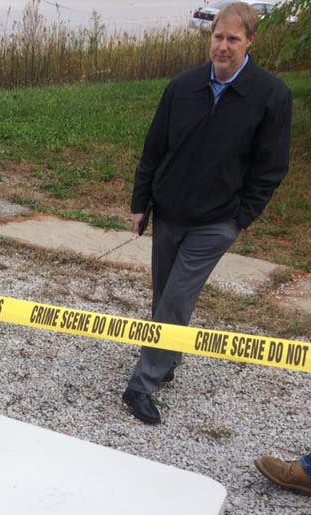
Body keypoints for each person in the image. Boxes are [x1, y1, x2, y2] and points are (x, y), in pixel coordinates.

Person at [123, 1, 291, 425]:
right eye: (218, 36)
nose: (223, 46)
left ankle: (142, 383)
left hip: (215, 223)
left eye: (233, 39)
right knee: (164, 296)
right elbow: (153, 149)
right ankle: (169, 356)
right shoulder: (183, 87)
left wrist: (239, 220)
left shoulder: (270, 96)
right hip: (170, 213)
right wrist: (140, 203)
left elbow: (270, 169)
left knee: (178, 297)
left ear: (250, 41)